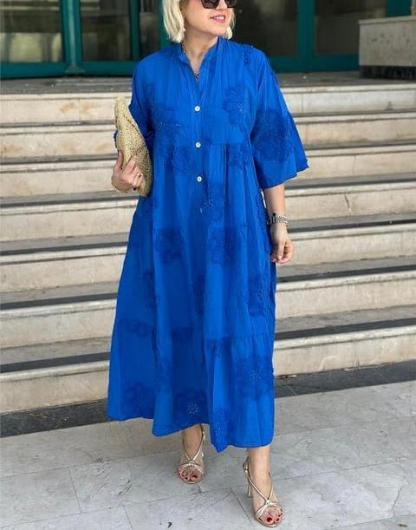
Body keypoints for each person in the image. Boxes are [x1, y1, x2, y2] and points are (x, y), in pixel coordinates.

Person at [107, 0, 309, 526]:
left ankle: (258, 470)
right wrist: (121, 179)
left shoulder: (251, 65)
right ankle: (190, 434)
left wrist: (280, 221)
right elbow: (135, 159)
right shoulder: (151, 73)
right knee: (179, 325)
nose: (223, 6)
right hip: (169, 229)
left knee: (248, 340)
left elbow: (271, 147)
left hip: (237, 230)